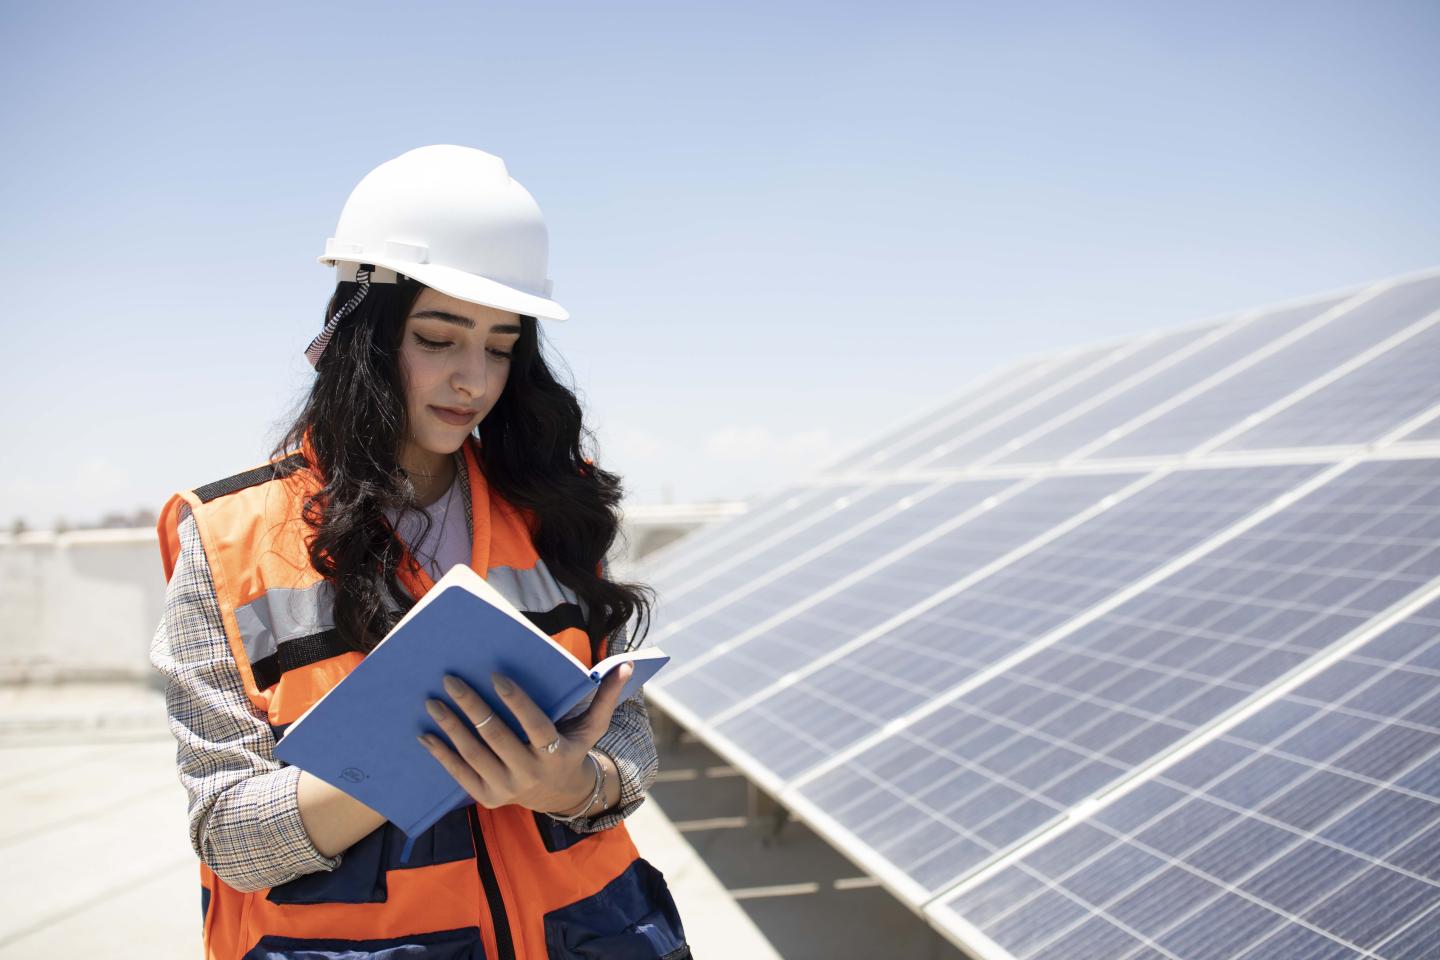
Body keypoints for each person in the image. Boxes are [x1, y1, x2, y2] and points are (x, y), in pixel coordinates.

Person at [149, 145, 690, 959]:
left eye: (501, 346)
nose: (473, 379)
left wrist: (571, 785)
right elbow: (228, 836)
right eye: (438, 338)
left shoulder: (554, 507)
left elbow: (629, 740)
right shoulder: (228, 538)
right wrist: (408, 760)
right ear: (361, 336)